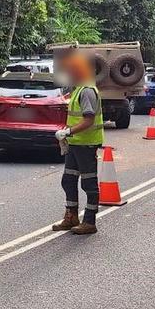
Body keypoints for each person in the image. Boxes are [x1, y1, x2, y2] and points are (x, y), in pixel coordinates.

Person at [52, 53, 101, 236]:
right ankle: (71, 216)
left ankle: (90, 221)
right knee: (68, 180)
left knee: (89, 184)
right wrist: (66, 135)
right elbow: (77, 118)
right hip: (75, 144)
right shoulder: (78, 89)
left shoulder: (87, 90)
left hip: (86, 145)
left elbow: (88, 120)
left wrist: (69, 132)